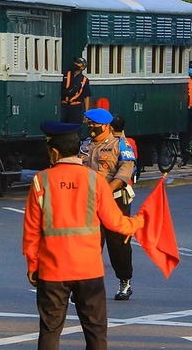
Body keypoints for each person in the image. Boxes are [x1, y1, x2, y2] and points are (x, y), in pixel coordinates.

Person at [23, 120, 145, 350]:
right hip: (89, 271)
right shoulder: (95, 180)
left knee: (50, 330)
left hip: (53, 271)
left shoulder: (40, 182)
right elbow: (115, 222)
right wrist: (140, 222)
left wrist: (32, 266)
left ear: (55, 152)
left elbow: (31, 233)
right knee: (96, 332)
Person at [82, 109, 137, 301]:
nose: (90, 127)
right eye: (88, 123)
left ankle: (125, 281)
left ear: (106, 125)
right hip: (89, 202)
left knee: (119, 245)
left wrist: (105, 191)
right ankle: (87, 285)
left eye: (94, 124)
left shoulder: (121, 144)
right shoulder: (85, 146)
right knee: (88, 245)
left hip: (115, 201)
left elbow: (125, 171)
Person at [60, 57, 91, 125]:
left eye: (78, 63)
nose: (75, 64)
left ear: (83, 67)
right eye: (75, 62)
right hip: (63, 106)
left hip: (76, 108)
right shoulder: (64, 75)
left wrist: (86, 113)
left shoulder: (84, 80)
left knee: (75, 129)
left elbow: (86, 97)